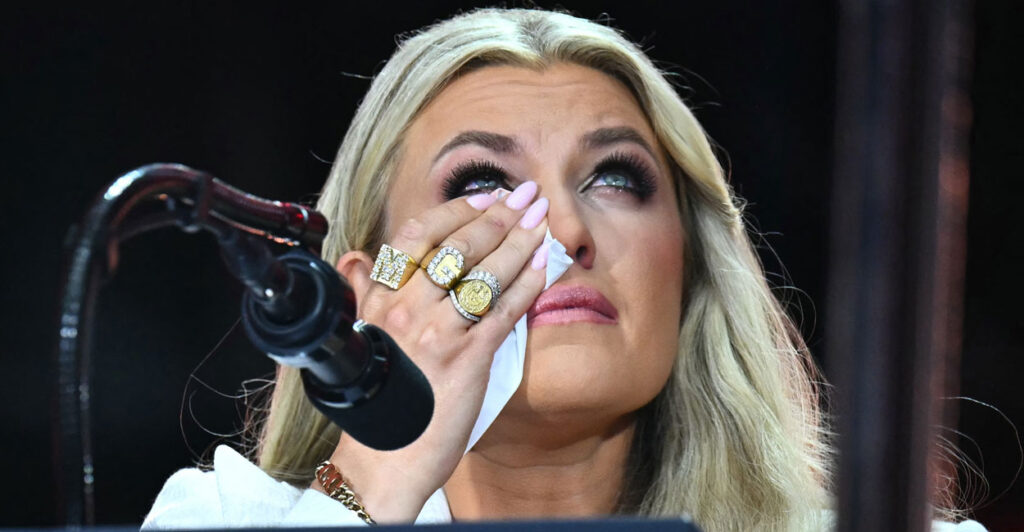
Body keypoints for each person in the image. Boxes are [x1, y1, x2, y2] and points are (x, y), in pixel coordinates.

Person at [142, 8, 985, 531]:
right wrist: (375, 474)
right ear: (366, 289)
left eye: (615, 178)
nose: (568, 232)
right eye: (482, 184)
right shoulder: (219, 520)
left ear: (688, 271)